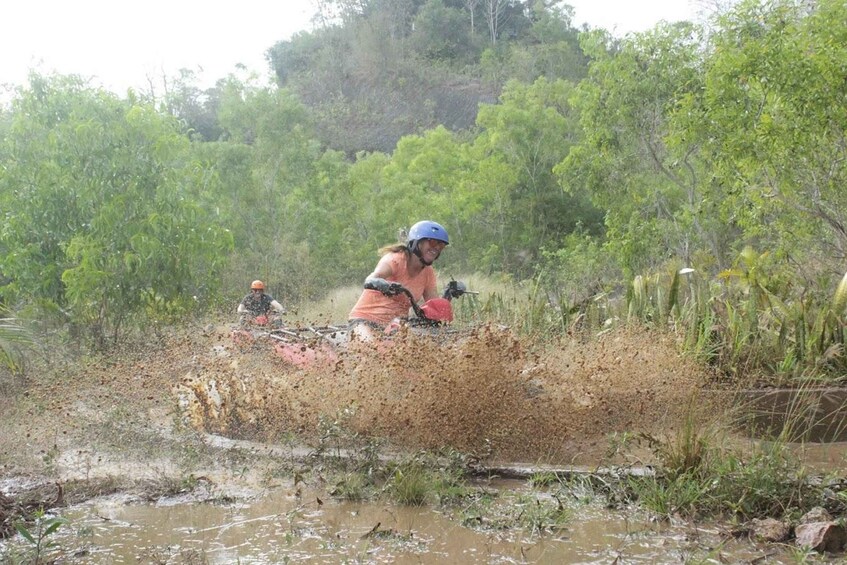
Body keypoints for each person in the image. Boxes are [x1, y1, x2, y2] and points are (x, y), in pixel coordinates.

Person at [348, 220, 449, 340]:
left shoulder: (428, 272)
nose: (436, 248)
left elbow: (433, 308)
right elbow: (372, 278)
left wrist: (449, 295)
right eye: (432, 242)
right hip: (365, 320)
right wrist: (382, 284)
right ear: (417, 243)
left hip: (396, 324)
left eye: (441, 245)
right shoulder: (395, 260)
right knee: (370, 349)